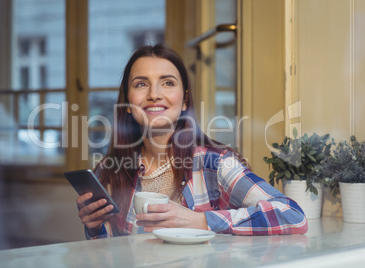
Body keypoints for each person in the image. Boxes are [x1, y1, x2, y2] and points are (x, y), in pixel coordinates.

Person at [76, 44, 308, 239]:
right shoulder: (111, 171)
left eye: (167, 82)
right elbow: (109, 256)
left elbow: (292, 215)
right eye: (141, 84)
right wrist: (94, 227)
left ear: (185, 100)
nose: (154, 94)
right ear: (127, 102)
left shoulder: (214, 163)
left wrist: (201, 220)